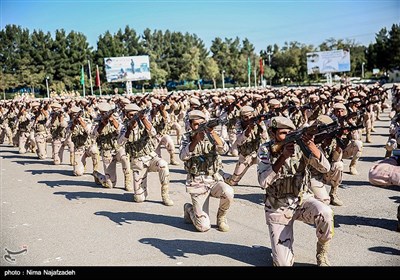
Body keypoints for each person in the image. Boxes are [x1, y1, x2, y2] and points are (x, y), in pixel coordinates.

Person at [257, 116, 334, 266]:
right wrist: (283, 156)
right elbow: (263, 182)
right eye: (283, 133)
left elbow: (326, 168)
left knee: (326, 213)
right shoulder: (265, 149)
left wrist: (311, 145)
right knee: (283, 264)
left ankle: (322, 252)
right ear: (272, 134)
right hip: (278, 206)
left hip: (301, 200)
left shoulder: (300, 146)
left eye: (289, 132)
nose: (287, 136)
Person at [179, 110, 234, 232]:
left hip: (213, 179)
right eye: (196, 125)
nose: (199, 127)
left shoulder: (211, 136)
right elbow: (183, 156)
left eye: (202, 124)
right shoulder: (186, 137)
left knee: (228, 192)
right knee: (203, 227)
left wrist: (213, 133)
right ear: (190, 125)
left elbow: (224, 150)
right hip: (197, 182)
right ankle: (189, 209)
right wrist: (196, 140)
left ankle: (221, 218)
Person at [117, 103, 173, 206]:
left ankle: (165, 194)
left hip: (150, 157)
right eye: (130, 115)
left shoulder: (145, 122)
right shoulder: (124, 127)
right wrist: (129, 129)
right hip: (137, 161)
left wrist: (143, 119)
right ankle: (142, 189)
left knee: (163, 165)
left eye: (135, 114)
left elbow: (154, 133)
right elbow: (120, 143)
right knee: (139, 198)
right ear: (126, 115)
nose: (133, 117)